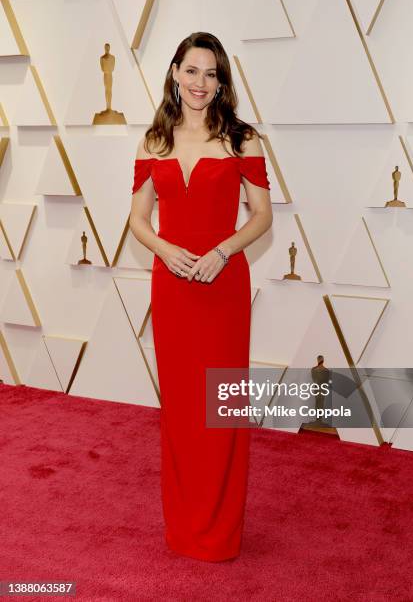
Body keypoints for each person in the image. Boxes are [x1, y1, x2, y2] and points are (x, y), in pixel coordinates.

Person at [129, 32, 273, 562]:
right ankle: (185, 530)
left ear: (221, 82)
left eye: (212, 74)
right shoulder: (153, 141)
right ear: (174, 73)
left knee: (220, 408)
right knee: (183, 411)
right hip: (172, 287)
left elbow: (262, 216)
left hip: (221, 287)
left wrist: (223, 251)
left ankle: (219, 534)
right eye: (192, 71)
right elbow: (138, 220)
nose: (201, 83)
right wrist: (165, 250)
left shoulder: (242, 139)